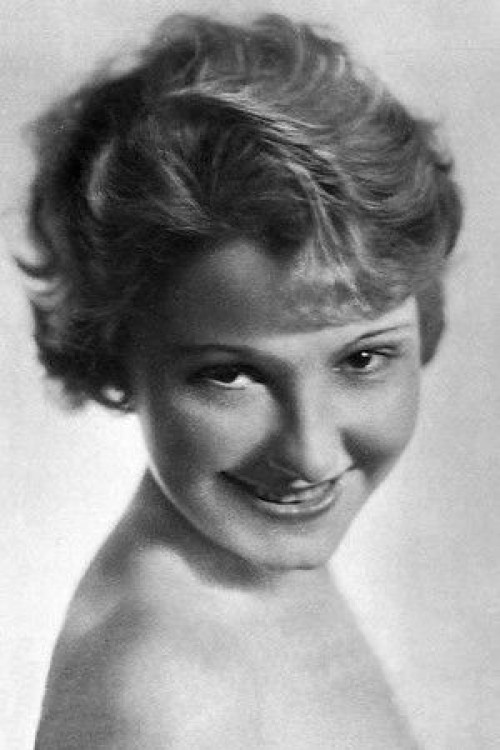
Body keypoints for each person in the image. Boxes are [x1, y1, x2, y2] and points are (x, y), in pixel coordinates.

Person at [23, 12, 462, 749]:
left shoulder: (252, 562)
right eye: (230, 375)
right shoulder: (167, 696)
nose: (312, 455)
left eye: (362, 360)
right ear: (114, 354)